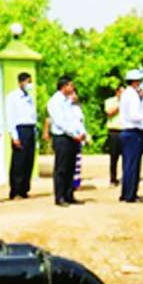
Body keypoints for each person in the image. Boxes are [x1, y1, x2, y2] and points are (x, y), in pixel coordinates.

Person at [45, 76, 88, 206]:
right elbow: (60, 122)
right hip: (62, 137)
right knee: (61, 168)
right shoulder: (55, 101)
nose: (72, 88)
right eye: (70, 85)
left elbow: (74, 119)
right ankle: (60, 197)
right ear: (64, 87)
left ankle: (69, 194)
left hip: (73, 137)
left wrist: (81, 133)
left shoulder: (68, 101)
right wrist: (73, 134)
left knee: (71, 167)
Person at [117, 69, 143, 202]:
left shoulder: (127, 94)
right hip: (133, 132)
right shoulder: (132, 95)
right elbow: (134, 115)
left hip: (127, 133)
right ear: (136, 82)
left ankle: (126, 193)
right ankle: (131, 194)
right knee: (133, 165)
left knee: (128, 164)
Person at [6, 70, 37, 198]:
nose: (29, 84)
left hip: (30, 129)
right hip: (20, 130)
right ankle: (16, 190)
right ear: (21, 82)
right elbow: (10, 117)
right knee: (19, 161)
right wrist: (14, 136)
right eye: (28, 82)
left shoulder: (29, 97)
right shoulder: (13, 97)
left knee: (29, 160)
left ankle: (24, 189)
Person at [103, 81, 124, 186]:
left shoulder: (129, 102)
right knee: (114, 156)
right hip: (114, 131)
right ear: (117, 92)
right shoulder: (110, 101)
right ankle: (113, 178)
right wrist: (120, 105)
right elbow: (109, 112)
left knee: (126, 156)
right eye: (121, 92)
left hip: (125, 131)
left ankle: (126, 177)